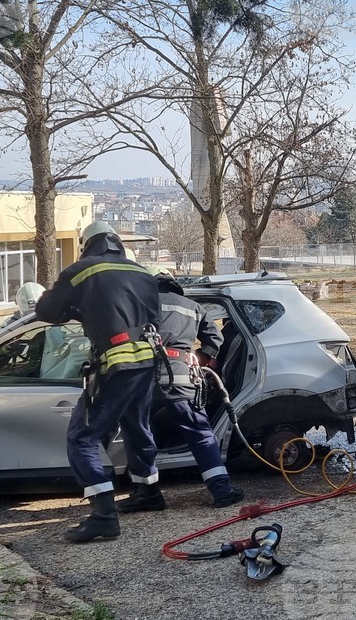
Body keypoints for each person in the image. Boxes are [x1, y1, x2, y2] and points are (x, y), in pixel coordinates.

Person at [35, 221, 160, 543]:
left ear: (86, 244)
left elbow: (47, 311)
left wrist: (77, 309)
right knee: (137, 427)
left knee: (82, 437)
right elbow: (154, 318)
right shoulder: (143, 272)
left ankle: (104, 515)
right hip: (147, 361)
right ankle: (148, 492)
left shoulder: (81, 270)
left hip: (115, 364)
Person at [118, 267, 244, 512]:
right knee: (199, 433)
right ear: (174, 284)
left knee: (140, 435)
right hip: (180, 379)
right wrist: (200, 355)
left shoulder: (137, 304)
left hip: (142, 380)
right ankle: (222, 491)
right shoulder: (192, 306)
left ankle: (147, 494)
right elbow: (215, 338)